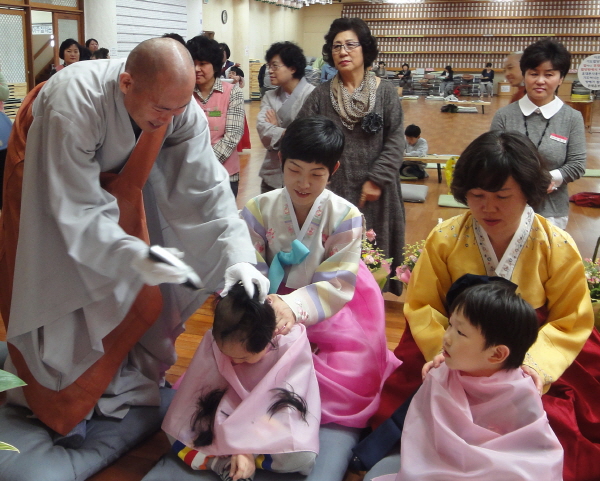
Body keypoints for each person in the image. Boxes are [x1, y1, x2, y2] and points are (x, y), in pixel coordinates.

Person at [0, 37, 268, 481]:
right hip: (50, 186)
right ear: (126, 82)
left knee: (149, 298)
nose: (170, 121)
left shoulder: (173, 108)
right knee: (56, 290)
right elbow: (74, 211)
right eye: (162, 111)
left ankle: (120, 382)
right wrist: (134, 257)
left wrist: (237, 258)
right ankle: (56, 397)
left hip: (123, 186)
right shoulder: (73, 101)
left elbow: (207, 188)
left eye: (178, 110)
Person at [370, 130, 598, 481]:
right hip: (456, 345)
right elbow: (425, 307)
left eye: (502, 196)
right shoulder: (446, 238)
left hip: (526, 351)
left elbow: (571, 319)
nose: (487, 207)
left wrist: (534, 366)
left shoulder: (555, 245)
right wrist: (446, 354)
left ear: (527, 191)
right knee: (404, 412)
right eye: (476, 195)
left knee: (558, 428)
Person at [242, 116, 400, 481]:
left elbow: (336, 282)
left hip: (328, 310)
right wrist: (265, 303)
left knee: (339, 379)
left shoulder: (345, 216)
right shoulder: (258, 209)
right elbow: (248, 264)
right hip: (269, 304)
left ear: (334, 170)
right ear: (281, 161)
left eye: (316, 174)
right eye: (295, 170)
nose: (303, 183)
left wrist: (294, 307)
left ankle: (301, 437)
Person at [368, 276, 564, 481]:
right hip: (441, 464)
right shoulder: (441, 374)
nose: (447, 337)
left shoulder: (521, 391)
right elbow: (422, 437)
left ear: (497, 354)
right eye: (450, 325)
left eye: (460, 332)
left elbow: (535, 453)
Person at [143, 282, 320, 481]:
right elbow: (206, 395)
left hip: (267, 419)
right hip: (223, 414)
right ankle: (224, 464)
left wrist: (245, 447)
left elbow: (283, 404)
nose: (235, 362)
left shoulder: (291, 343)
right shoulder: (214, 340)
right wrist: (236, 443)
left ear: (270, 336)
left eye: (244, 358)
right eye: (227, 354)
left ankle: (244, 460)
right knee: (176, 432)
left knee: (300, 457)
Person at [298, 17, 406, 295]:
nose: (342, 52)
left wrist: (378, 179)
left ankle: (369, 303)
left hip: (376, 190)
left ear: (365, 49)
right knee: (333, 259)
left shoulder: (385, 93)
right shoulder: (320, 95)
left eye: (349, 45)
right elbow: (301, 136)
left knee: (374, 255)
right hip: (335, 187)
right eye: (336, 47)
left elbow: (395, 140)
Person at [491, 39, 586, 230]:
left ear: (560, 78)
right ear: (525, 75)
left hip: (552, 211)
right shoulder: (504, 115)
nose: (540, 80)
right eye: (534, 74)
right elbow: (493, 159)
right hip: (508, 207)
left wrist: (549, 178)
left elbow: (577, 165)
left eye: (549, 74)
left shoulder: (572, 118)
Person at [186, 35, 245, 198]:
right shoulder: (184, 93)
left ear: (215, 65)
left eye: (202, 64)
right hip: (189, 176)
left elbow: (233, 136)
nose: (197, 69)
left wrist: (203, 164)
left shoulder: (232, 92)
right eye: (193, 64)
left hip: (224, 174)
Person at [257, 41, 314, 193]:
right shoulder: (269, 96)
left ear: (293, 68)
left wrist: (277, 128)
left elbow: (309, 137)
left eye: (275, 66)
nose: (270, 70)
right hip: (272, 174)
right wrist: (289, 132)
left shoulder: (312, 95)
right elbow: (262, 129)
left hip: (303, 177)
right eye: (269, 66)